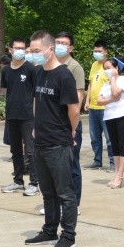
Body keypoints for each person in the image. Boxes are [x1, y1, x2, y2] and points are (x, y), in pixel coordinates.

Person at [24, 31, 82, 247]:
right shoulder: (39, 72)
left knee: (65, 192)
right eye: (32, 50)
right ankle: (49, 231)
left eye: (37, 50)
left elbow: (74, 109)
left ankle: (68, 235)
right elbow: (37, 102)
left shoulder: (64, 75)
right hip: (40, 141)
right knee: (47, 192)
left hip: (58, 142)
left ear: (50, 49)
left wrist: (71, 131)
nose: (33, 54)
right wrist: (36, 127)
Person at [0, 37, 39, 196]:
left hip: (28, 116)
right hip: (11, 115)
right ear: (10, 50)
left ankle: (34, 183)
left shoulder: (31, 69)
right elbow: (8, 91)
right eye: (17, 48)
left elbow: (36, 94)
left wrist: (36, 116)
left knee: (30, 150)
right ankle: (18, 181)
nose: (20, 51)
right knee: (15, 150)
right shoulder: (6, 71)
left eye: (23, 48)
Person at [55, 31, 86, 213]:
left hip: (69, 123)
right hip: (54, 123)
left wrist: (72, 126)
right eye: (57, 42)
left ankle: (74, 204)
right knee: (57, 166)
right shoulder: (50, 65)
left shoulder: (75, 67)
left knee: (71, 164)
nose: (59, 46)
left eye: (64, 43)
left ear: (71, 48)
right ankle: (59, 202)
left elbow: (78, 97)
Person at [97, 57, 124, 188]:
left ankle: (120, 175)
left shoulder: (123, 79)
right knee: (114, 145)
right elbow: (99, 101)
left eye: (109, 68)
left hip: (123, 115)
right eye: (105, 69)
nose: (107, 70)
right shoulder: (105, 85)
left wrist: (113, 78)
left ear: (116, 68)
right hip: (109, 116)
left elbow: (116, 92)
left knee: (122, 144)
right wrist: (111, 100)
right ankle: (116, 173)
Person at [85, 39, 114, 170]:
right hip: (93, 107)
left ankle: (113, 163)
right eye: (95, 51)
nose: (96, 53)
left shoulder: (109, 66)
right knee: (94, 137)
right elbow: (91, 83)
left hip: (105, 107)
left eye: (99, 51)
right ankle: (97, 161)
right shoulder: (93, 65)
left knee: (109, 137)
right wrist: (87, 101)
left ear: (106, 52)